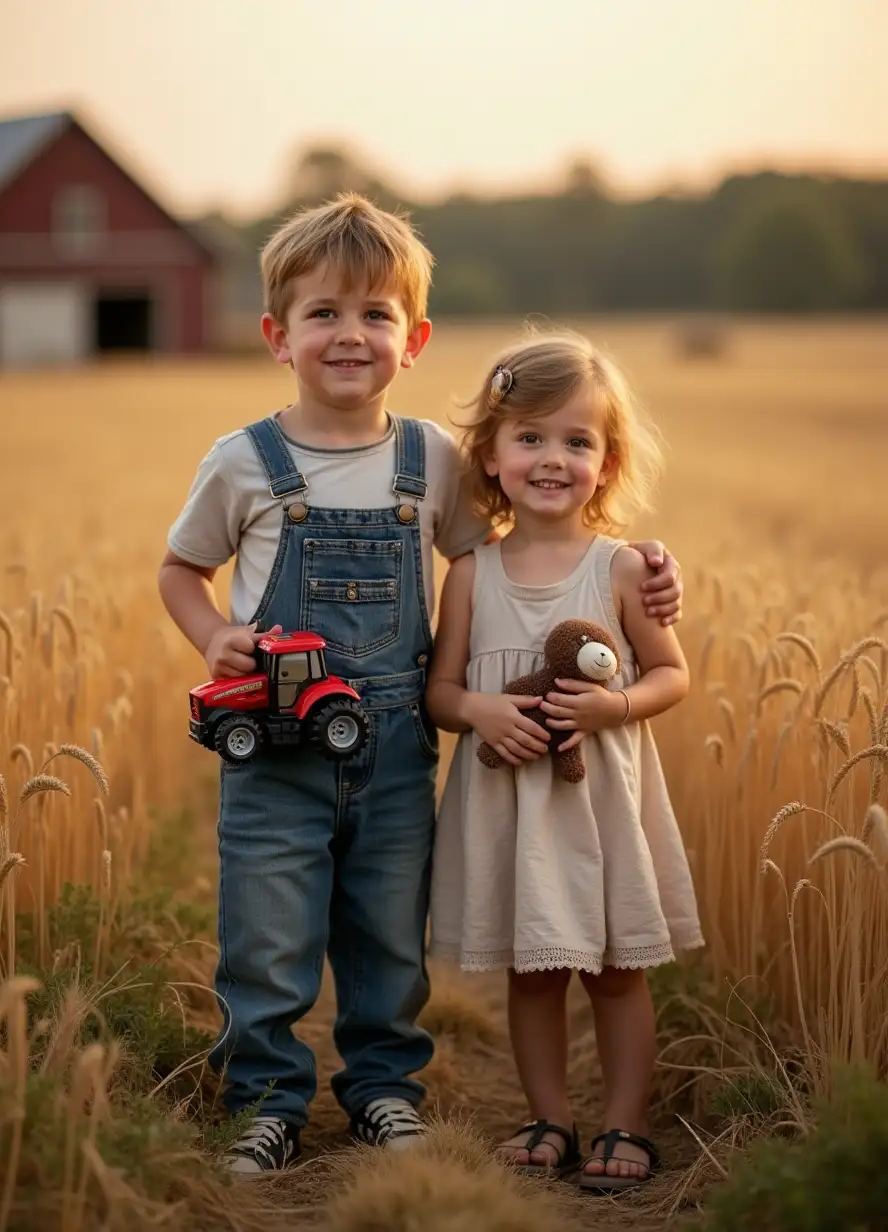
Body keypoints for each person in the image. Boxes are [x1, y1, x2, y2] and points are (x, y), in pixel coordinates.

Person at [157, 194, 684, 1173]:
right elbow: (178, 570)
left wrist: (645, 569)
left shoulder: (432, 460)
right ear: (277, 334)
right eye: (323, 314)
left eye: (374, 315)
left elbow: (526, 555)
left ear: (414, 339)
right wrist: (215, 633)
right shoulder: (243, 461)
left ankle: (383, 1090)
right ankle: (264, 1100)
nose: (349, 334)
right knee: (266, 934)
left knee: (385, 934)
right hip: (275, 747)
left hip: (395, 748)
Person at [426, 332, 703, 1193]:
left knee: (617, 973)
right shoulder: (470, 573)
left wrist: (612, 705)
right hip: (512, 810)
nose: (554, 459)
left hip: (600, 810)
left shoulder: (622, 569)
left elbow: (671, 674)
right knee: (535, 971)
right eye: (532, 438)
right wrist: (478, 709)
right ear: (493, 456)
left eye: (578, 442)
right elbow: (438, 691)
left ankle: (625, 1122)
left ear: (607, 462)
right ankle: (549, 1116)